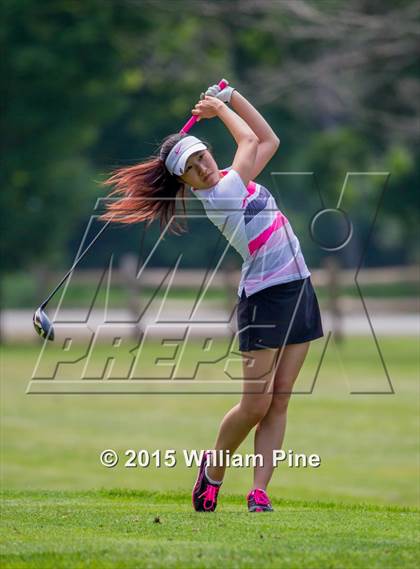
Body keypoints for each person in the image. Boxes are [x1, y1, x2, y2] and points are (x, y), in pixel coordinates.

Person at [100, 82, 324, 513]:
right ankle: (213, 469)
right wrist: (219, 107)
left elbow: (268, 139)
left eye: (202, 156)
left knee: (280, 399)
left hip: (300, 289)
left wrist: (234, 96)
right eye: (191, 167)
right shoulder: (220, 195)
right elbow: (246, 138)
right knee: (255, 404)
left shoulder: (234, 180)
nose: (203, 166)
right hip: (264, 299)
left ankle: (259, 492)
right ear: (182, 180)